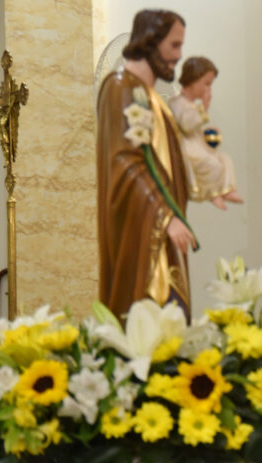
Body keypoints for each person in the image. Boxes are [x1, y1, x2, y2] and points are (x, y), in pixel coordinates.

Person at [97, 9, 197, 321]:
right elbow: (124, 163)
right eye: (174, 46)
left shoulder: (149, 96)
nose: (179, 56)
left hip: (159, 236)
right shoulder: (120, 88)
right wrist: (166, 217)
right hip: (142, 234)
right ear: (151, 43)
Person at [168, 57, 243, 210]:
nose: (208, 89)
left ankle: (226, 190)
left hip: (196, 144)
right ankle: (213, 193)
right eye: (206, 84)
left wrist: (208, 135)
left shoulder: (190, 105)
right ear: (193, 80)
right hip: (185, 148)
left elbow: (195, 130)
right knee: (212, 164)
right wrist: (204, 107)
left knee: (224, 158)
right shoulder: (177, 103)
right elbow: (187, 125)